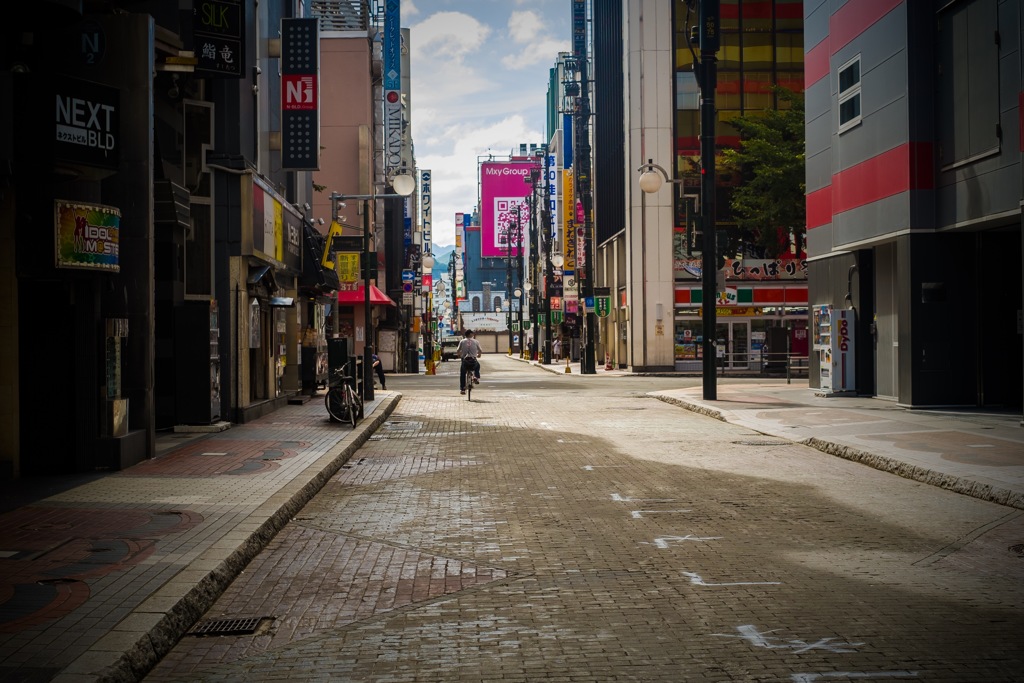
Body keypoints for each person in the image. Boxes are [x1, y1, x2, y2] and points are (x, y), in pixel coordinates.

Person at [456, 329, 482, 394]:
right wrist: (479, 354)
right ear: (470, 334)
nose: (473, 334)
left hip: (465, 360)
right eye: (472, 333)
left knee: (462, 374)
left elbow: (458, 350)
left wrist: (459, 355)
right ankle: (476, 377)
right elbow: (480, 350)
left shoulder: (462, 341)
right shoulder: (476, 341)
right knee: (477, 366)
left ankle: (462, 389)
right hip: (473, 360)